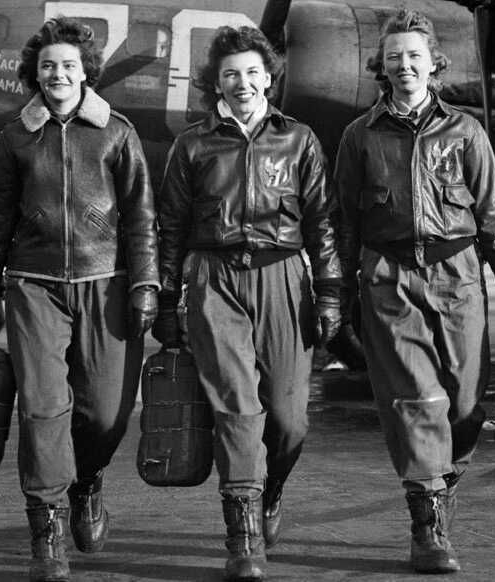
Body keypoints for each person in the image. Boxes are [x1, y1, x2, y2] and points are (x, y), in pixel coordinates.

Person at [334, 9, 495, 574]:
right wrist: (336, 296)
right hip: (388, 279)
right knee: (417, 400)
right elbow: (344, 221)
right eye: (394, 56)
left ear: (433, 63)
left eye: (414, 55)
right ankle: (427, 525)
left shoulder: (467, 131)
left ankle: (440, 485)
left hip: (459, 277)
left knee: (467, 407)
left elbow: (494, 214)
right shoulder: (359, 137)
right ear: (382, 65)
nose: (404, 65)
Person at [0, 17, 159, 582]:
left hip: (107, 283)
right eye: (48, 65)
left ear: (85, 71)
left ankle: (87, 481)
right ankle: (45, 529)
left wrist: (145, 284)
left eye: (68, 64)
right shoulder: (15, 138)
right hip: (34, 285)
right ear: (35, 74)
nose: (58, 73)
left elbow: (141, 218)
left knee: (104, 412)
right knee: (44, 409)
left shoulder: (118, 132)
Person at [153, 25, 341, 582]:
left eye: (253, 72)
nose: (242, 82)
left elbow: (322, 223)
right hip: (214, 280)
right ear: (216, 82)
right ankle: (243, 537)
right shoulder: (192, 145)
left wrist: (329, 293)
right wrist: (168, 300)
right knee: (237, 409)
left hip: (283, 275)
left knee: (288, 420)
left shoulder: (299, 139)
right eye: (231, 73)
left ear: (268, 78)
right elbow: (170, 228)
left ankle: (271, 488)